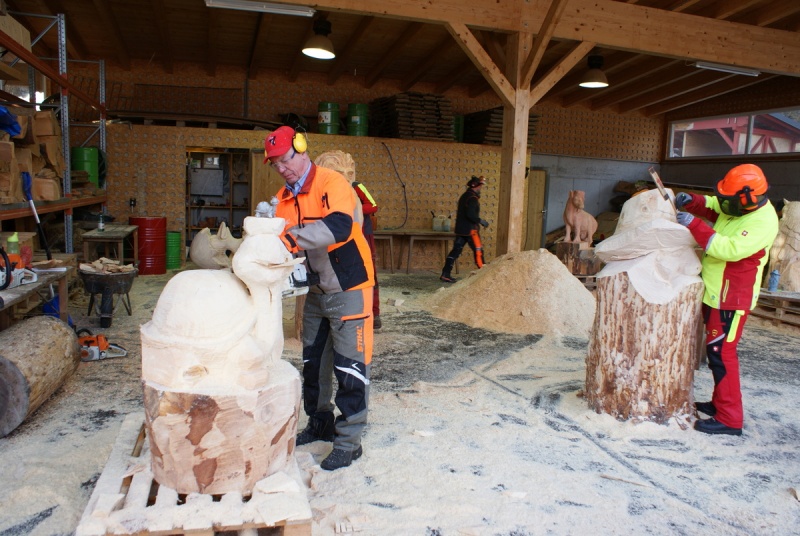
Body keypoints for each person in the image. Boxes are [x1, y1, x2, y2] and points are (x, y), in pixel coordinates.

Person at [264, 126, 375, 470]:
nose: (282, 168)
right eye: (276, 164)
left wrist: (290, 239)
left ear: (301, 149)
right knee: (313, 364)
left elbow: (340, 226)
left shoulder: (332, 183)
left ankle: (349, 442)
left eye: (286, 160)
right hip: (315, 289)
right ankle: (320, 422)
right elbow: (278, 241)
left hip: (349, 286)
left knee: (350, 367)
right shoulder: (283, 198)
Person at [675, 163, 779, 436]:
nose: (724, 202)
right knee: (715, 353)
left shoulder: (762, 221)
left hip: (731, 297)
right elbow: (716, 205)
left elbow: (727, 249)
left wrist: (694, 224)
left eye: (729, 198)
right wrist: (692, 201)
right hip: (715, 291)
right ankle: (719, 403)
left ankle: (731, 418)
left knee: (722, 354)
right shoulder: (738, 206)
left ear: (747, 198)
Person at [314, 150, 383, 329]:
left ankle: (373, 312)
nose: (345, 178)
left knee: (366, 272)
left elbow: (373, 205)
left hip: (361, 233)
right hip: (332, 241)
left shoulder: (357, 187)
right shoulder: (319, 193)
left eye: (349, 173)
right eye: (339, 173)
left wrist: (347, 209)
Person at [440, 175, 489, 283]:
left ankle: (445, 274)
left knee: (455, 252)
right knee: (478, 251)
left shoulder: (464, 196)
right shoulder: (472, 198)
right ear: (475, 186)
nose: (480, 188)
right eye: (480, 186)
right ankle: (484, 275)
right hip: (471, 231)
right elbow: (470, 215)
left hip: (461, 230)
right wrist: (481, 221)